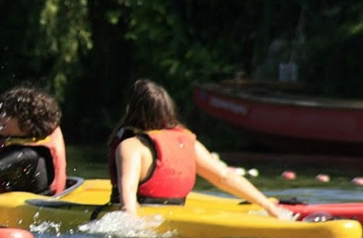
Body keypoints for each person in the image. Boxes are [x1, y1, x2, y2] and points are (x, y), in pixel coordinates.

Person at [108, 79, 288, 219]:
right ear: (167, 110)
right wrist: (269, 207)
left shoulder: (130, 147)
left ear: (131, 110)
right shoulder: (188, 143)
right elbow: (224, 177)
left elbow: (128, 203)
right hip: (179, 225)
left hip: (149, 223)